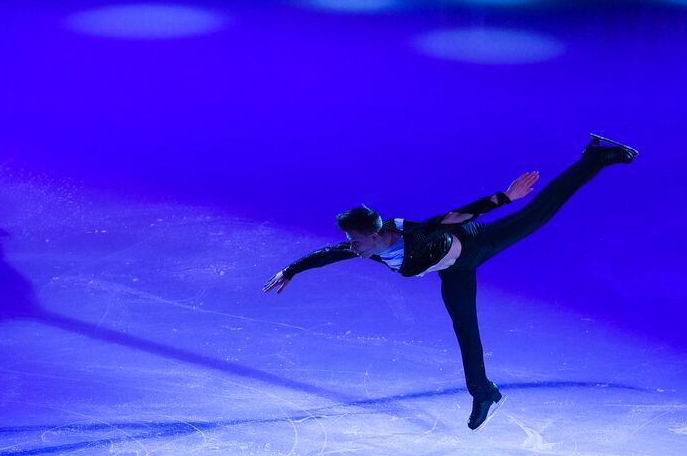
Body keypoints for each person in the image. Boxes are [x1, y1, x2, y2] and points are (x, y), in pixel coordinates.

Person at [264, 134, 638, 430]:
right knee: (465, 330)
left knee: (539, 213)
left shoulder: (414, 233)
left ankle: (596, 158)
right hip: (454, 270)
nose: (352, 247)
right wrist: (291, 270)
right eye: (351, 241)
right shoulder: (368, 249)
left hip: (476, 243)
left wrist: (506, 196)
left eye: (356, 240)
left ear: (375, 234)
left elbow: (455, 215)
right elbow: (329, 253)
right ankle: (484, 392)